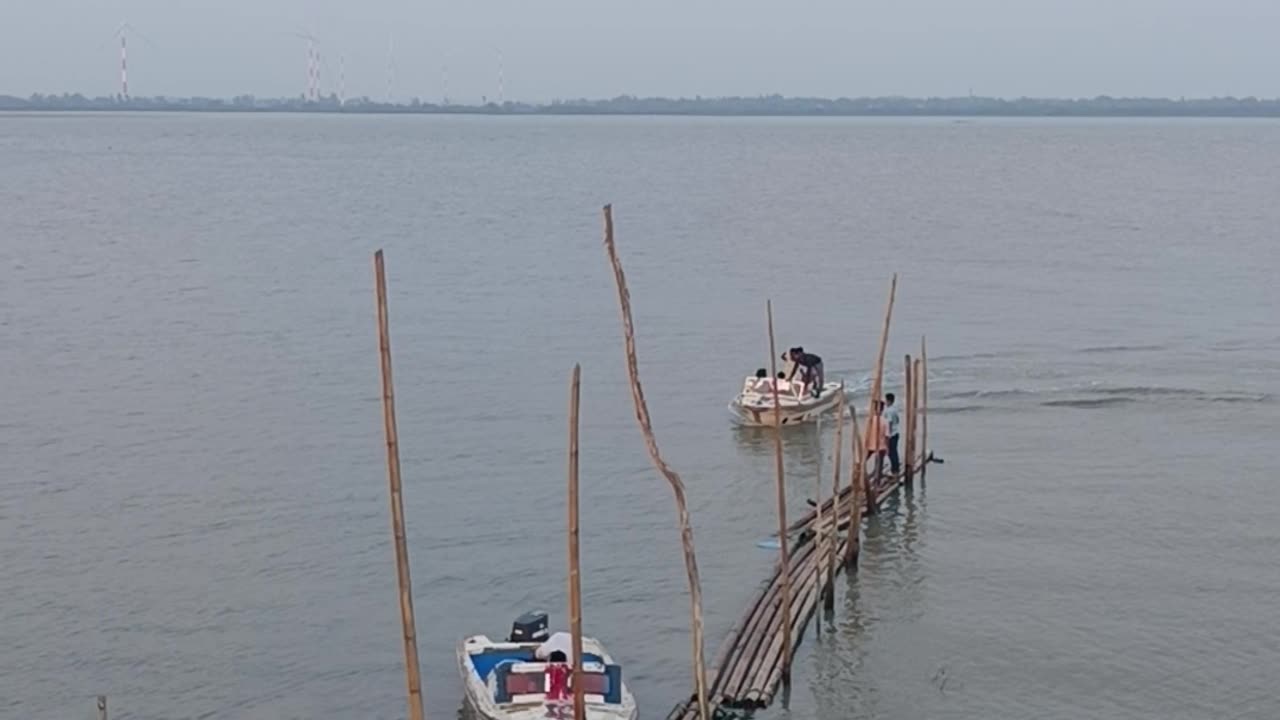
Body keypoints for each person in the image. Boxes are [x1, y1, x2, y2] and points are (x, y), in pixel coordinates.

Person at [882, 393, 902, 475]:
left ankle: (894, 469)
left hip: (892, 434)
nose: (885, 402)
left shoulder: (889, 411)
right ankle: (896, 467)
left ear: (889, 401)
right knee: (894, 452)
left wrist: (888, 434)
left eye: (886, 400)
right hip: (896, 432)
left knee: (891, 452)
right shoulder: (895, 409)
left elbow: (889, 423)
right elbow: (897, 420)